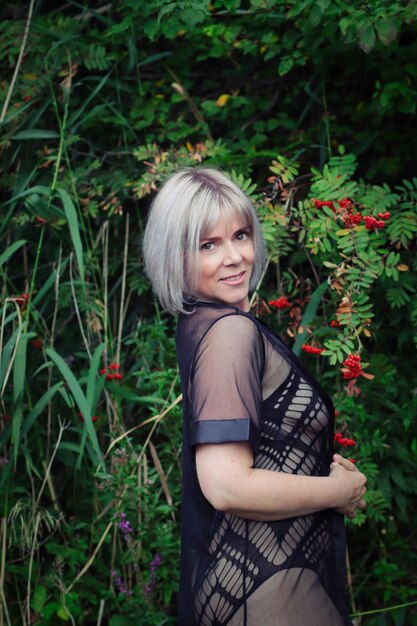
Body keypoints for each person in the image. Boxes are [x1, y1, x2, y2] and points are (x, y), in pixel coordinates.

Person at [142, 167, 367, 626]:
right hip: (265, 588)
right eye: (209, 245)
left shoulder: (205, 324)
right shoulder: (229, 333)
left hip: (258, 579)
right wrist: (336, 491)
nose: (235, 257)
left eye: (240, 235)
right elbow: (226, 485)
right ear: (175, 256)